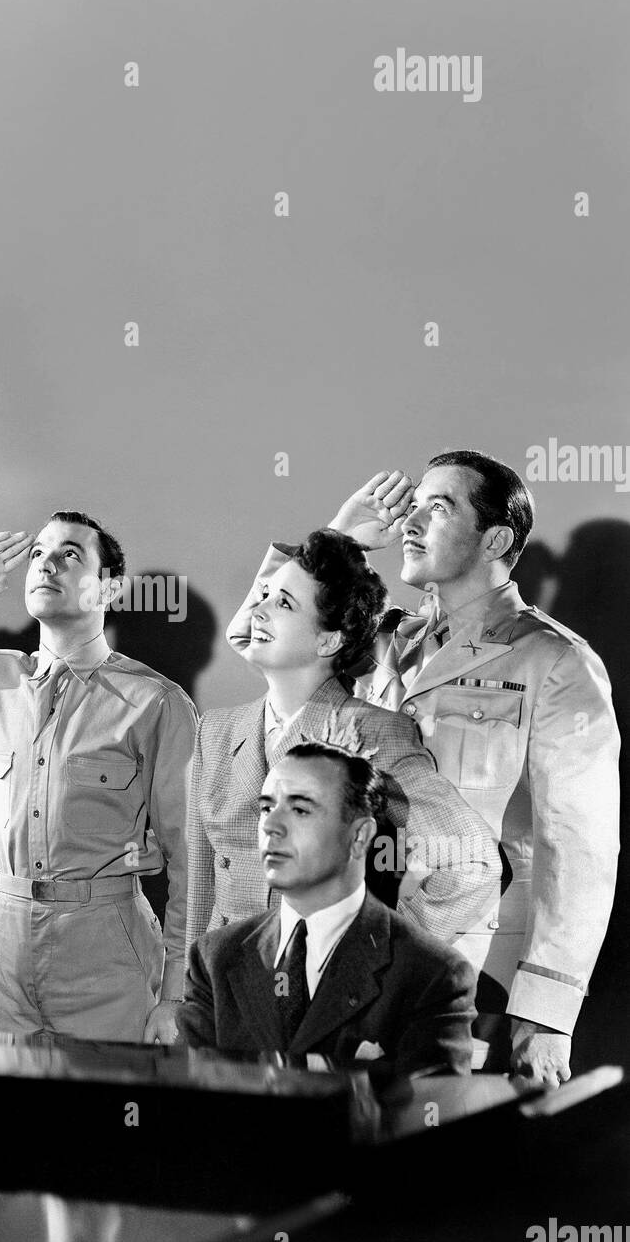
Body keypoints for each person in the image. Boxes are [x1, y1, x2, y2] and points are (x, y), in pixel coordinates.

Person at [234, 456, 620, 1086]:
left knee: (447, 1168)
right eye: (412, 504)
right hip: (346, 953)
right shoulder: (383, 641)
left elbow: (581, 847)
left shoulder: (554, 660)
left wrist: (547, 1012)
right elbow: (257, 639)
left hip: (474, 969)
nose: (409, 521)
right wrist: (336, 541)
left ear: (494, 539)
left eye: (438, 508)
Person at [0, 513, 198, 1044]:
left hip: (106, 943)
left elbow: (192, 857)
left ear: (110, 586)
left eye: (71, 554)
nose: (46, 563)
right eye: (38, 553)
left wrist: (175, 994)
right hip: (1, 940)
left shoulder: (155, 703)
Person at [185, 529, 501, 978]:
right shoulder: (215, 730)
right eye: (267, 595)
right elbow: (201, 884)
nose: (259, 609)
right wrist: (186, 995)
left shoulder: (374, 730)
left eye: (284, 603)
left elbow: (473, 861)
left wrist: (379, 957)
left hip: (321, 996)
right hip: (227, 990)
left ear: (329, 641)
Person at [178, 742, 476, 1075]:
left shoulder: (430, 973)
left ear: (360, 836)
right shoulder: (215, 958)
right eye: (266, 808)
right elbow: (193, 1103)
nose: (270, 826)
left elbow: (431, 1114)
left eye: (300, 810)